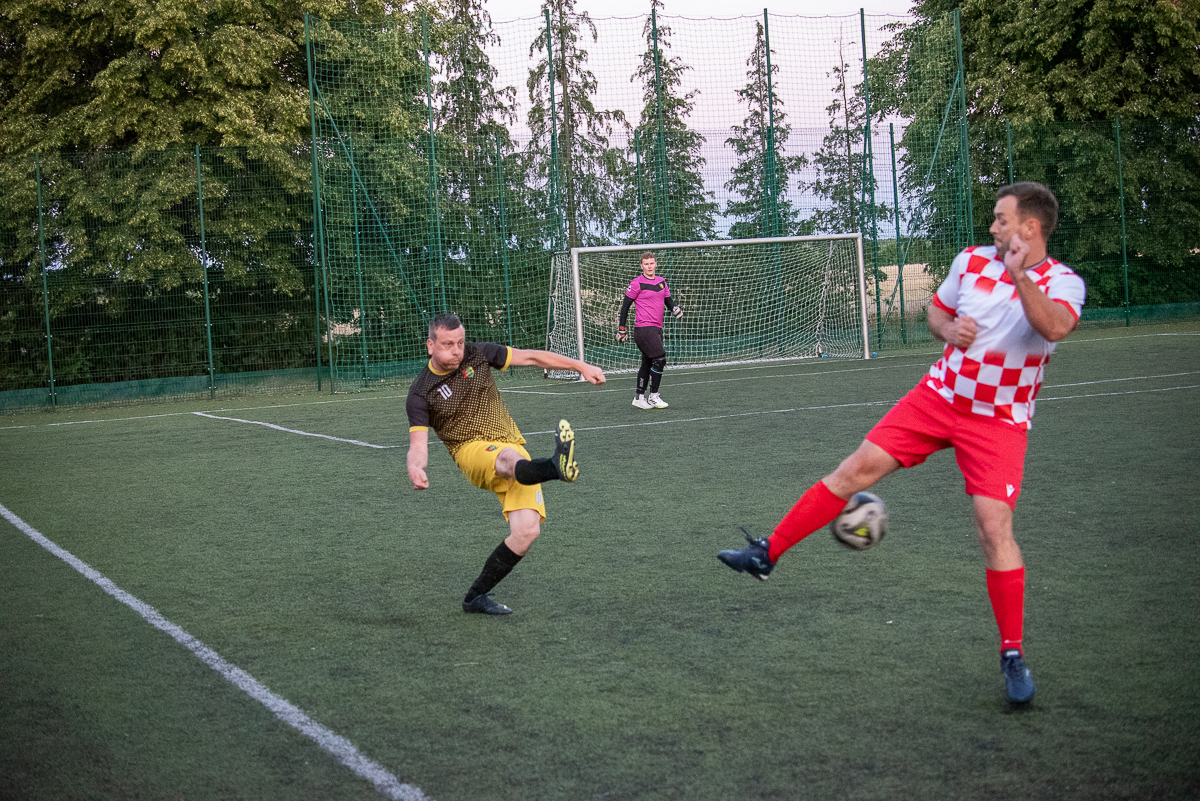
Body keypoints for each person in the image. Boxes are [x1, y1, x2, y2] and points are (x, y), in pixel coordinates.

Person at [717, 182, 1086, 704]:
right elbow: (936, 312)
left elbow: (1055, 327)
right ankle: (766, 554)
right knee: (853, 471)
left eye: (1001, 219)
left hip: (998, 421)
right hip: (937, 398)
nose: (992, 227)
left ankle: (1012, 654)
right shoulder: (971, 261)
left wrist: (1020, 275)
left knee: (993, 528)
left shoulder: (1063, 282)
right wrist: (948, 331)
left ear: (1030, 226)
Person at [406, 313, 606, 615]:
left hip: (510, 442)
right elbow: (418, 445)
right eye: (448, 344)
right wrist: (416, 467)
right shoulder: (421, 392)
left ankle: (475, 597)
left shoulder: (478, 354)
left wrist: (581, 366)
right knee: (509, 458)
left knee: (527, 531)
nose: (457, 351)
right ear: (430, 346)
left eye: (460, 342)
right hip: (471, 450)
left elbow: (531, 357)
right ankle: (555, 467)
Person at [618, 252, 683, 409]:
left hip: (657, 328)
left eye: (652, 263)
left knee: (647, 362)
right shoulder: (636, 283)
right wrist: (622, 330)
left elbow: (668, 300)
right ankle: (653, 396)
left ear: (655, 264)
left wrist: (674, 308)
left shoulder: (661, 282)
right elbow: (625, 307)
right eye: (646, 264)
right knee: (660, 359)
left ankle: (639, 398)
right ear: (642, 266)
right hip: (643, 328)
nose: (649, 266)